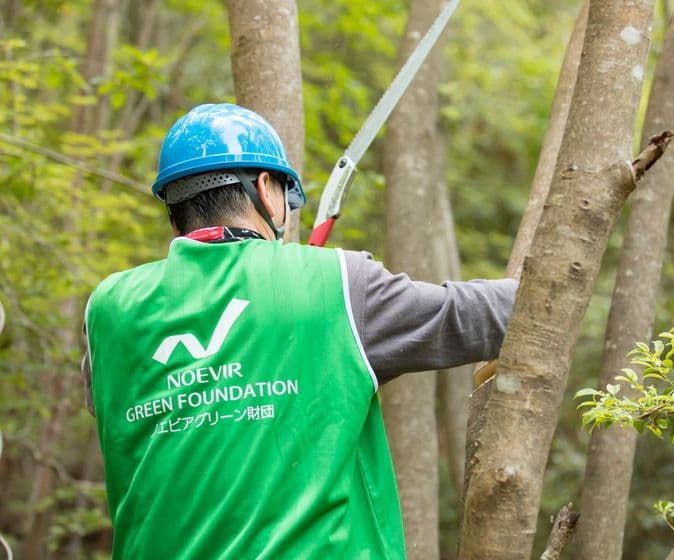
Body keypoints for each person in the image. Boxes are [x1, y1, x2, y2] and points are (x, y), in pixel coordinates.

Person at [83, 103, 517, 559]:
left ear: (174, 213)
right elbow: (480, 316)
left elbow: (113, 404)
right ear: (267, 192)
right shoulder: (337, 283)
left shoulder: (108, 310)